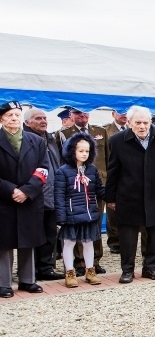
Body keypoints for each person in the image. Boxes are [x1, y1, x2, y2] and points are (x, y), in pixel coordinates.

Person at [105, 105, 155, 283]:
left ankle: (151, 268)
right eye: (138, 122)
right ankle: (127, 270)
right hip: (128, 195)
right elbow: (112, 170)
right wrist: (110, 197)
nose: (142, 126)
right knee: (128, 236)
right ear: (129, 123)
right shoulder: (116, 141)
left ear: (151, 122)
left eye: (145, 122)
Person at [0, 101, 48, 298]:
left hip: (30, 199)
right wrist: (11, 190)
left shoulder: (36, 141)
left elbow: (43, 169)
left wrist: (27, 191)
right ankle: (3, 283)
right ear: (1, 118)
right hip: (3, 199)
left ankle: (28, 280)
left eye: (17, 115)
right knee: (4, 243)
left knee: (28, 240)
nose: (14, 118)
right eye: (10, 115)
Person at [57, 107, 109, 276]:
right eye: (78, 113)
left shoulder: (100, 131)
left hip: (93, 192)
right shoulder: (64, 134)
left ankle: (93, 264)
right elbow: (60, 193)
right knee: (71, 240)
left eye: (86, 112)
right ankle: (74, 267)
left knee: (91, 235)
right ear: (71, 115)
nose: (83, 115)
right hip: (72, 199)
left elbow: (108, 157)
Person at [23, 108, 64, 281]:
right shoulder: (24, 139)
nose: (43, 121)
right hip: (33, 195)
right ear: (27, 123)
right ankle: (29, 270)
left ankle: (46, 267)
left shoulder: (51, 139)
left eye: (44, 118)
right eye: (38, 118)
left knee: (49, 233)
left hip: (52, 194)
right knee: (32, 234)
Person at [103, 109, 128, 254]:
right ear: (113, 114)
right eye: (120, 112)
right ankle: (114, 240)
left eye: (126, 113)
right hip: (111, 173)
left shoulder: (134, 129)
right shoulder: (106, 130)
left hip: (128, 175)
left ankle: (125, 239)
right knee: (112, 210)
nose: (123, 115)